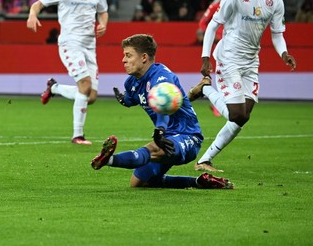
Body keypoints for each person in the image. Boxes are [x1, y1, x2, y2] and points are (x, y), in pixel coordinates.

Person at [188, 0, 297, 173]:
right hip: (229, 58)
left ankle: (205, 160)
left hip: (251, 61)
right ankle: (206, 88)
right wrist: (205, 57)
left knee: (242, 117)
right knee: (236, 114)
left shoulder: (275, 0)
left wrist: (284, 53)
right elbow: (212, 25)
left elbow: (277, 33)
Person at [91, 34, 234, 190]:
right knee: (139, 183)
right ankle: (200, 181)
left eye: (128, 55)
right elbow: (132, 98)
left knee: (155, 149)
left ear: (144, 57)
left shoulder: (161, 77)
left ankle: (108, 160)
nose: (123, 60)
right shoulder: (132, 82)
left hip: (187, 136)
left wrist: (160, 129)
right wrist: (124, 100)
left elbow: (163, 107)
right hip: (166, 137)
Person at [26, 0, 108, 145]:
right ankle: (77, 135)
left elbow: (103, 11)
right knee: (85, 86)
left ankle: (54, 88)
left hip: (90, 44)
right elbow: (39, 3)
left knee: (92, 96)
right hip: (70, 42)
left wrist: (104, 23)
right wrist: (32, 14)